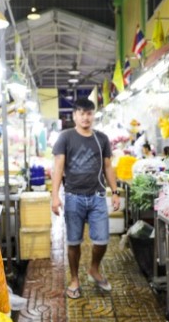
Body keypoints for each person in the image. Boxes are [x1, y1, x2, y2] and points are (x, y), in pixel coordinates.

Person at [51, 98, 120, 299]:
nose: (85, 117)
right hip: (73, 197)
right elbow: (58, 167)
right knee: (73, 242)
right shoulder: (65, 137)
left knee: (102, 240)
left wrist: (115, 192)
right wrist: (55, 196)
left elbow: (108, 167)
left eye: (89, 113)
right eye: (81, 113)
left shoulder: (102, 139)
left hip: (98, 196)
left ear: (93, 116)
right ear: (74, 116)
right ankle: (74, 279)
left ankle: (94, 269)